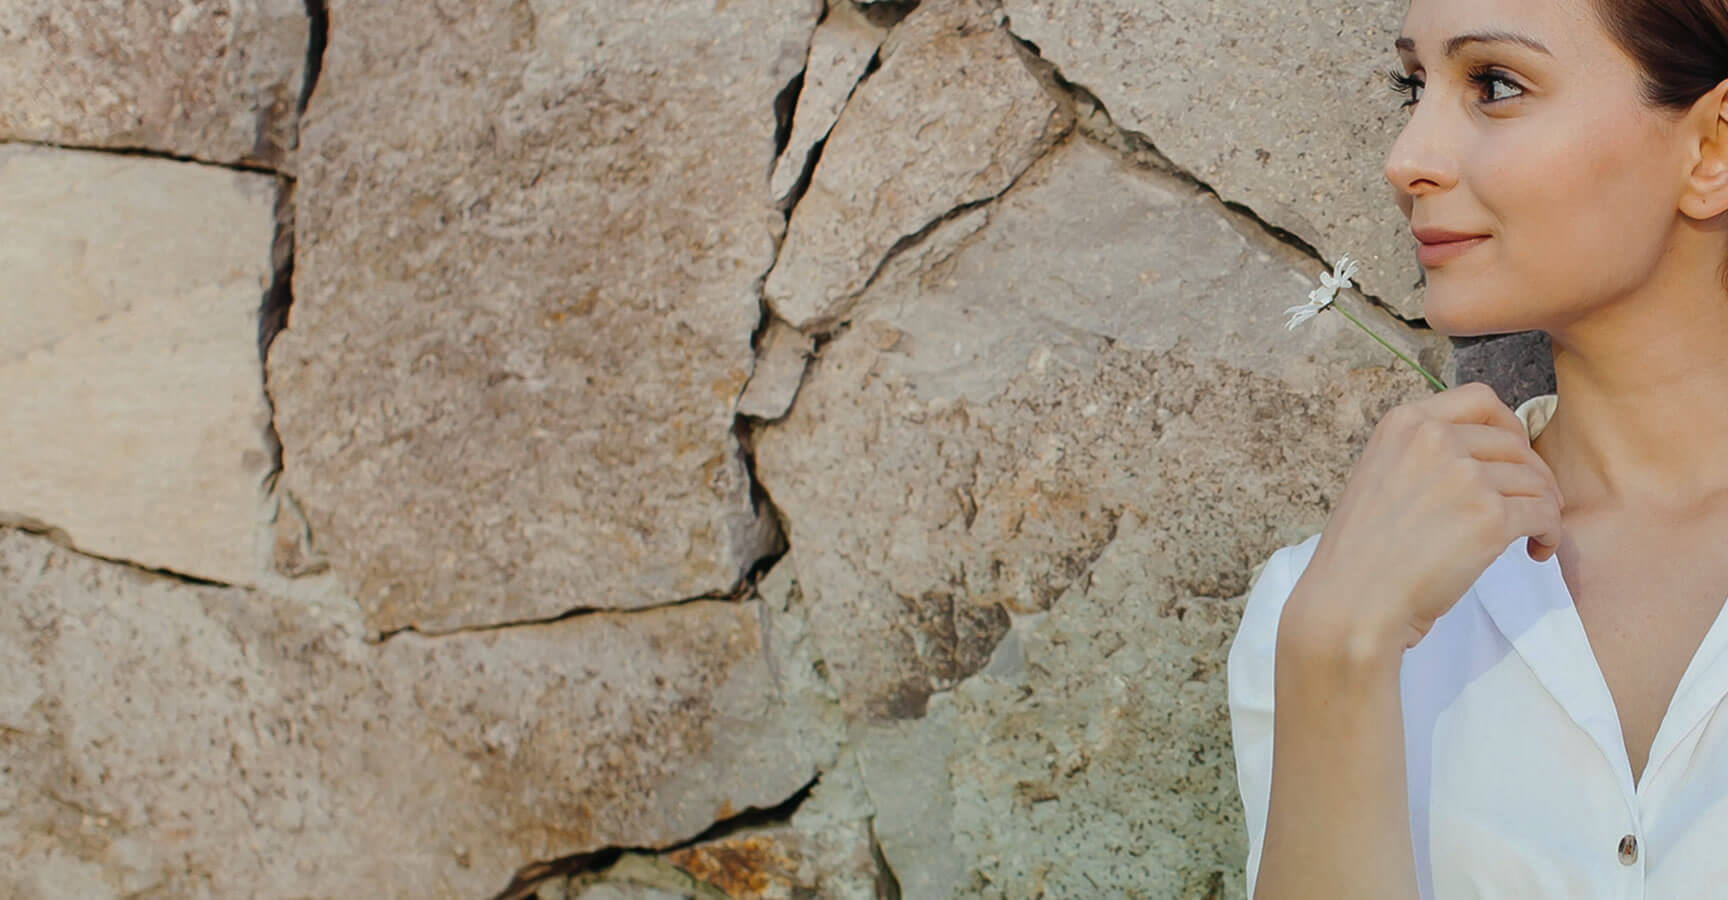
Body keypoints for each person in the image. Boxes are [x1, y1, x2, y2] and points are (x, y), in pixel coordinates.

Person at [1226, 0, 1728, 897]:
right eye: (1412, 87)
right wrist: (1337, 651)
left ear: (1713, 147)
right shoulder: (1325, 606)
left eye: (1495, 84)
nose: (1405, 159)